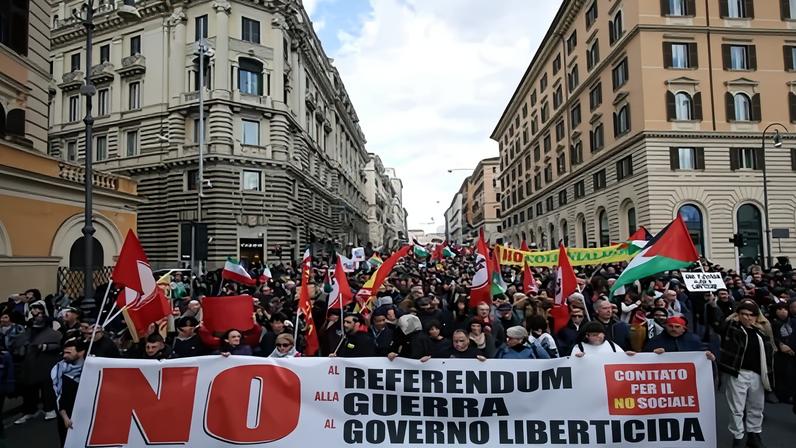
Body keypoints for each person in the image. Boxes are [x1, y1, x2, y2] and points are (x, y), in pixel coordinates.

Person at [719, 300, 774, 448]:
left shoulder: (760, 333)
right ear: (738, 315)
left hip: (757, 374)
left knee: (756, 407)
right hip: (738, 373)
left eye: (751, 315)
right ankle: (738, 436)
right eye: (743, 314)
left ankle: (754, 434)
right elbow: (721, 326)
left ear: (756, 317)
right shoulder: (733, 328)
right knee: (736, 408)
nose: (747, 318)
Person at [15, 309, 62, 424]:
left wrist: (45, 346)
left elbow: (59, 346)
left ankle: (49, 409)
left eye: (40, 314)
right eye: (34, 315)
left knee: (47, 389)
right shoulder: (26, 333)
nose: (37, 317)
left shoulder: (53, 333)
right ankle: (30, 411)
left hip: (45, 365)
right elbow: (18, 346)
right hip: (29, 366)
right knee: (29, 390)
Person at [51, 337, 86, 447]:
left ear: (81, 352)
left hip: (85, 413)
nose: (64, 355)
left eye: (68, 352)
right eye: (64, 352)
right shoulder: (58, 369)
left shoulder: (89, 368)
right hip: (67, 415)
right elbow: (58, 395)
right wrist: (65, 416)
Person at [644, 316, 715, 360]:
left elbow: (704, 356)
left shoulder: (694, 340)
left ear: (684, 329)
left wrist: (709, 358)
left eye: (677, 327)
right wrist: (653, 354)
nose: (673, 329)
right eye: (670, 326)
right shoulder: (655, 340)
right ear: (666, 327)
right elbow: (643, 358)